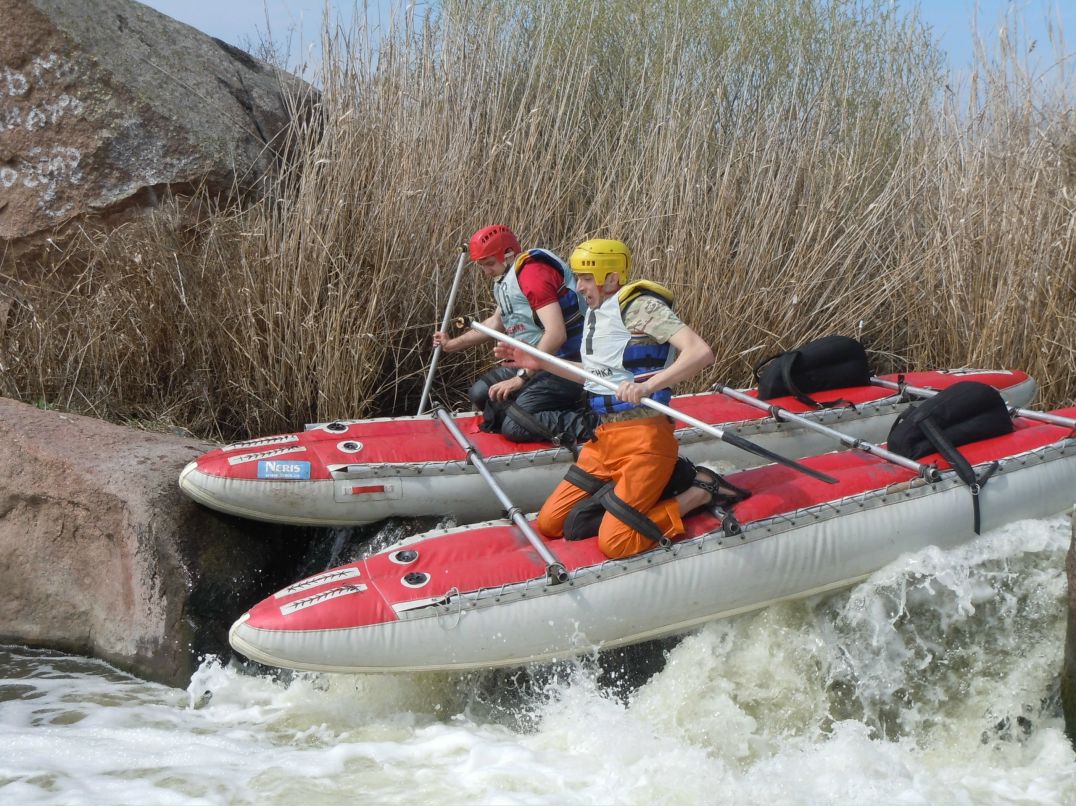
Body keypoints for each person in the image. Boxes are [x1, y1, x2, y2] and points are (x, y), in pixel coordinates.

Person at [496, 238, 748, 559]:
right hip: (604, 439)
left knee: (616, 543)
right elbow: (594, 375)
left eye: (587, 278)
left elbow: (700, 352)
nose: (579, 286)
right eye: (578, 277)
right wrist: (538, 362)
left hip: (645, 438)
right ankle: (652, 488)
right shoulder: (597, 312)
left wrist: (649, 385)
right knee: (550, 523)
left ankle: (700, 491)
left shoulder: (641, 306)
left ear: (612, 278)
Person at [432, 225, 590, 445]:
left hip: (566, 365)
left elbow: (556, 334)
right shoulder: (509, 278)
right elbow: (495, 323)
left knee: (514, 426)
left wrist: (520, 379)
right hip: (538, 363)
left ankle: (590, 424)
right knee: (480, 393)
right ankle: (529, 411)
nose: (486, 272)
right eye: (482, 266)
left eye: (489, 264)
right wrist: (452, 344)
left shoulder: (533, 276)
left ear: (508, 255)